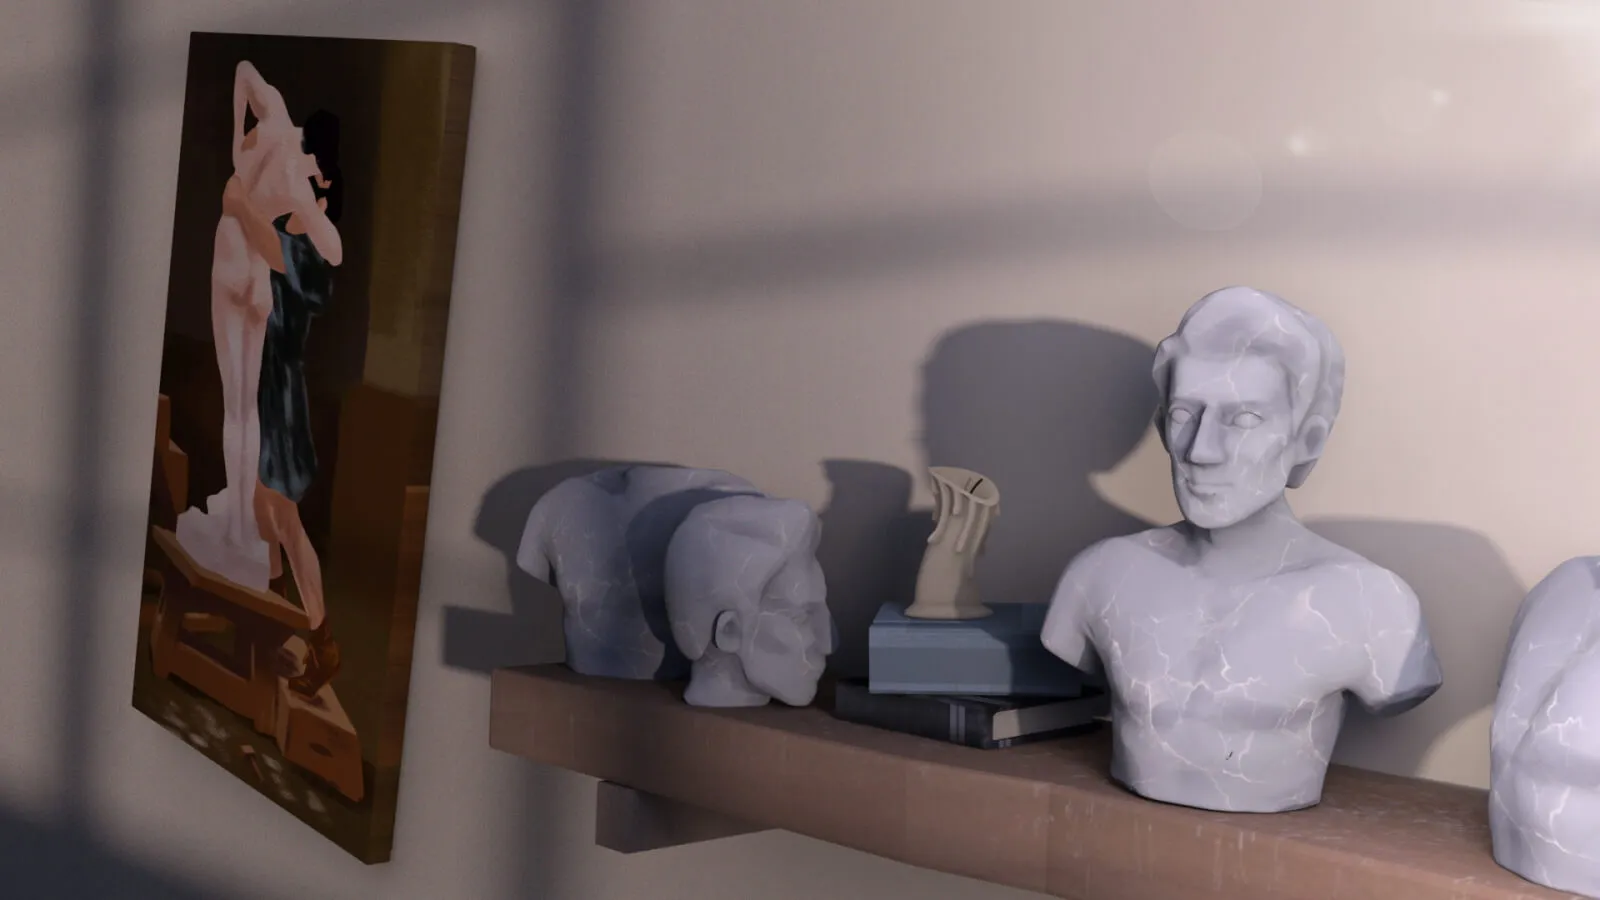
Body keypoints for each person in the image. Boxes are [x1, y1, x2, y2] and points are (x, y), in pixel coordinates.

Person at [1041, 286, 1441, 813]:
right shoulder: (1100, 577)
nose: (1201, 450)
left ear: (1307, 440)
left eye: (1245, 419)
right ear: (1162, 426)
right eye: (1185, 413)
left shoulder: (1371, 605)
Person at [176, 60, 342, 594]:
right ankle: (249, 543)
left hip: (237, 274)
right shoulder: (297, 182)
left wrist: (236, 152)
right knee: (249, 426)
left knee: (241, 419)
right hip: (259, 295)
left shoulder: (274, 124)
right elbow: (326, 250)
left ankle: (244, 535)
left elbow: (243, 73)